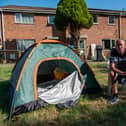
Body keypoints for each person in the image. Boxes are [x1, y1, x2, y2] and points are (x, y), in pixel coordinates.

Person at [109, 39, 126, 104]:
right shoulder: (113, 52)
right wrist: (121, 73)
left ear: (125, 46)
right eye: (117, 45)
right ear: (115, 46)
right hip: (118, 70)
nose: (119, 47)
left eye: (121, 45)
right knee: (111, 73)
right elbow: (112, 67)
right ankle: (115, 95)